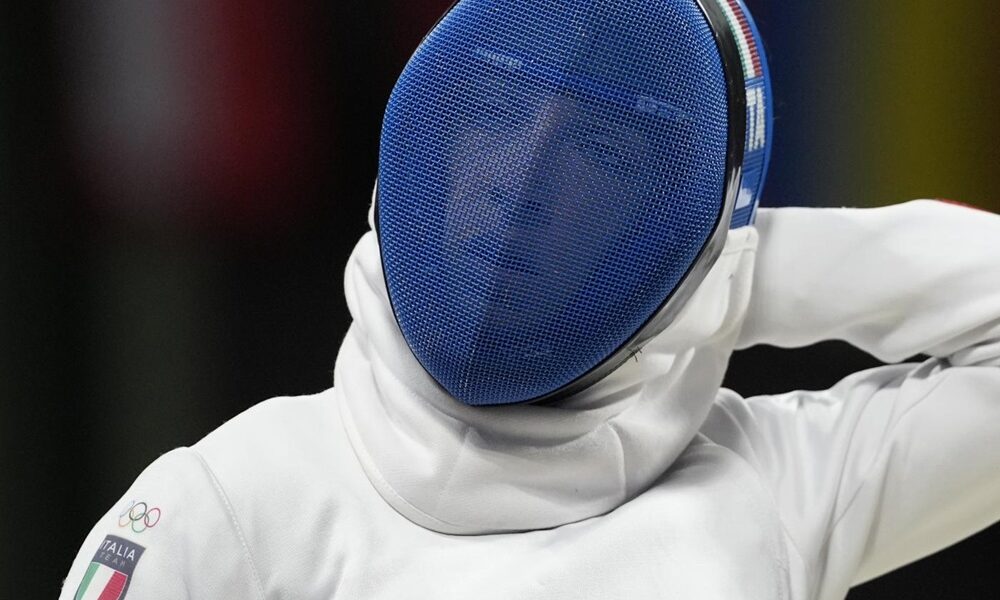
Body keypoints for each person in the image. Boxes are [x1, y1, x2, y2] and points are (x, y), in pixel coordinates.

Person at [62, 1, 1000, 598]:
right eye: (496, 113)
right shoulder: (230, 505)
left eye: (602, 149)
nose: (523, 181)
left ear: (673, 216)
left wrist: (727, 272)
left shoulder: (769, 492)